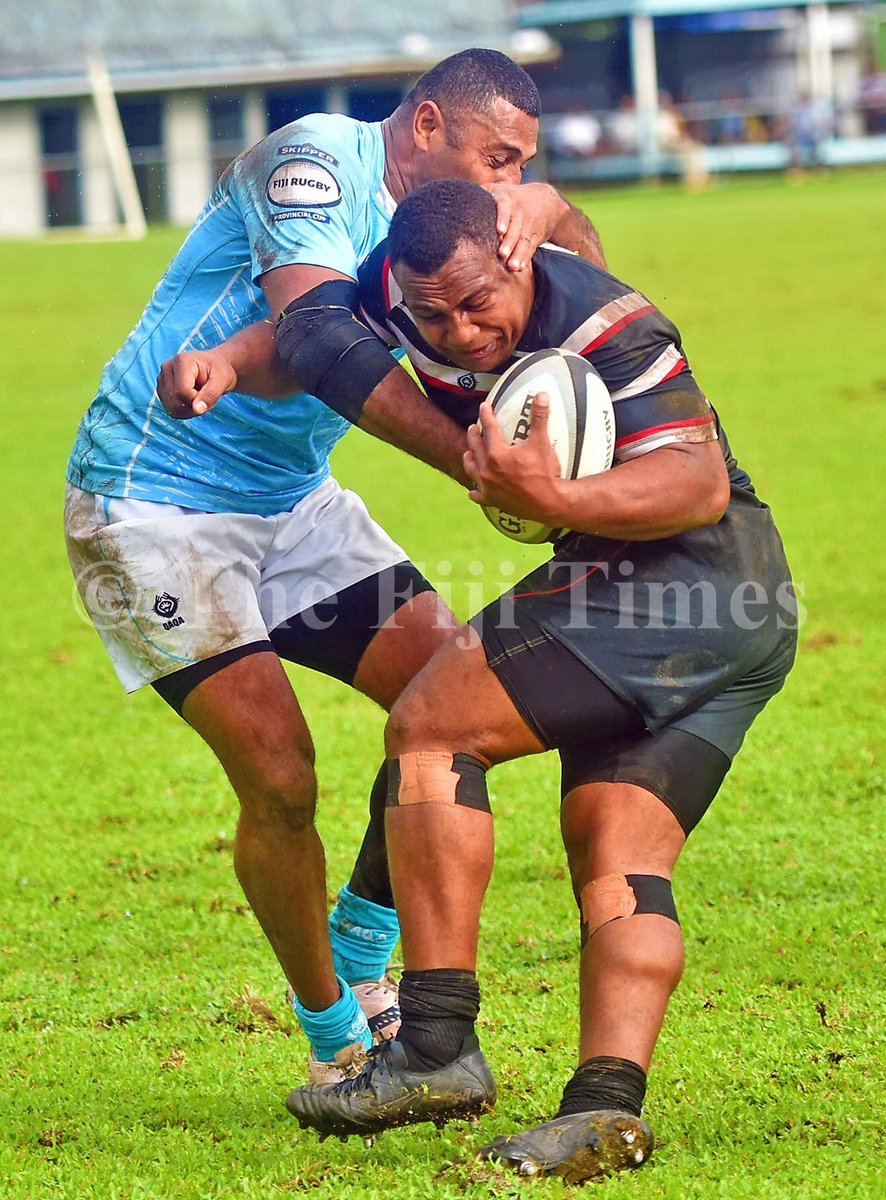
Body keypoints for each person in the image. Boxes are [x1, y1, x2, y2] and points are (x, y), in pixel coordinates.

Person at [64, 51, 606, 1087]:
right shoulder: (311, 164)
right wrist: (474, 466)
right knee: (281, 776)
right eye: (498, 158)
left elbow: (581, 285)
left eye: (520, 166)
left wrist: (550, 208)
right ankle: (333, 1037)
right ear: (428, 124)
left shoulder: (452, 225)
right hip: (151, 502)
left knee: (450, 702)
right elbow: (315, 341)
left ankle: (362, 947)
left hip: (292, 501)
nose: (506, 182)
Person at [284, 179, 798, 1182]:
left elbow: (696, 484)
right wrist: (224, 363)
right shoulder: (402, 290)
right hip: (744, 615)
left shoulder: (611, 323)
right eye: (434, 315)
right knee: (615, 854)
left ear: (515, 257)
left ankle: (434, 1045)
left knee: (430, 726)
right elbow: (309, 331)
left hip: (685, 580)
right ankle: (605, 1109)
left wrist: (556, 497)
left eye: (479, 303)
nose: (462, 332)